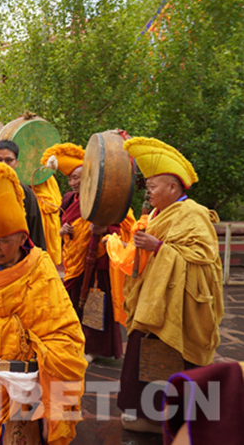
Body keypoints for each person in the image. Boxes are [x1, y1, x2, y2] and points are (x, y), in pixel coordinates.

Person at [0, 163, 87, 444]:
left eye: (4, 241)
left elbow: (63, 329)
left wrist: (44, 360)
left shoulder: (39, 266)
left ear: (23, 237)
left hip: (26, 376)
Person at [117, 137, 224, 434]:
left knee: (175, 359)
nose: (148, 193)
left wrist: (158, 247)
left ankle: (171, 419)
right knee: (143, 354)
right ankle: (149, 415)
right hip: (154, 297)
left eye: (153, 187)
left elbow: (204, 258)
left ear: (173, 188)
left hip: (181, 304)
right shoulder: (158, 214)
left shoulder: (193, 213)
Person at [44, 142, 134, 364]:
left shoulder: (105, 198)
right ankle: (73, 342)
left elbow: (123, 229)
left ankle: (94, 348)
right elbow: (65, 224)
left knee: (96, 305)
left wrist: (105, 230)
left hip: (97, 261)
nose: (73, 183)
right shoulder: (68, 199)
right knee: (72, 303)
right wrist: (63, 231)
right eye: (70, 179)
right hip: (75, 261)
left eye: (78, 177)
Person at [0, 140, 47, 251]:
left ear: (16, 163)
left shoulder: (25, 193)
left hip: (18, 253)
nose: (3, 164)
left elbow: (35, 228)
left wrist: (38, 257)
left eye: (8, 160)